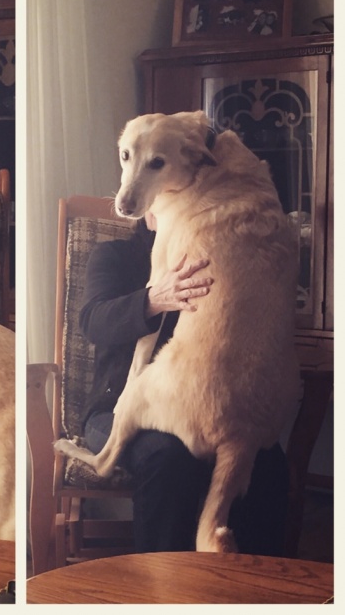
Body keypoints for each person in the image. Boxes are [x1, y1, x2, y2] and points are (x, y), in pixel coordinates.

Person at [78, 211, 289, 554]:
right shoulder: (115, 254)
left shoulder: (213, 255)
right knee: (168, 457)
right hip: (117, 411)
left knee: (267, 461)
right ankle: (165, 579)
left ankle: (251, 580)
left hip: (203, 409)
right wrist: (153, 299)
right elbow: (93, 321)